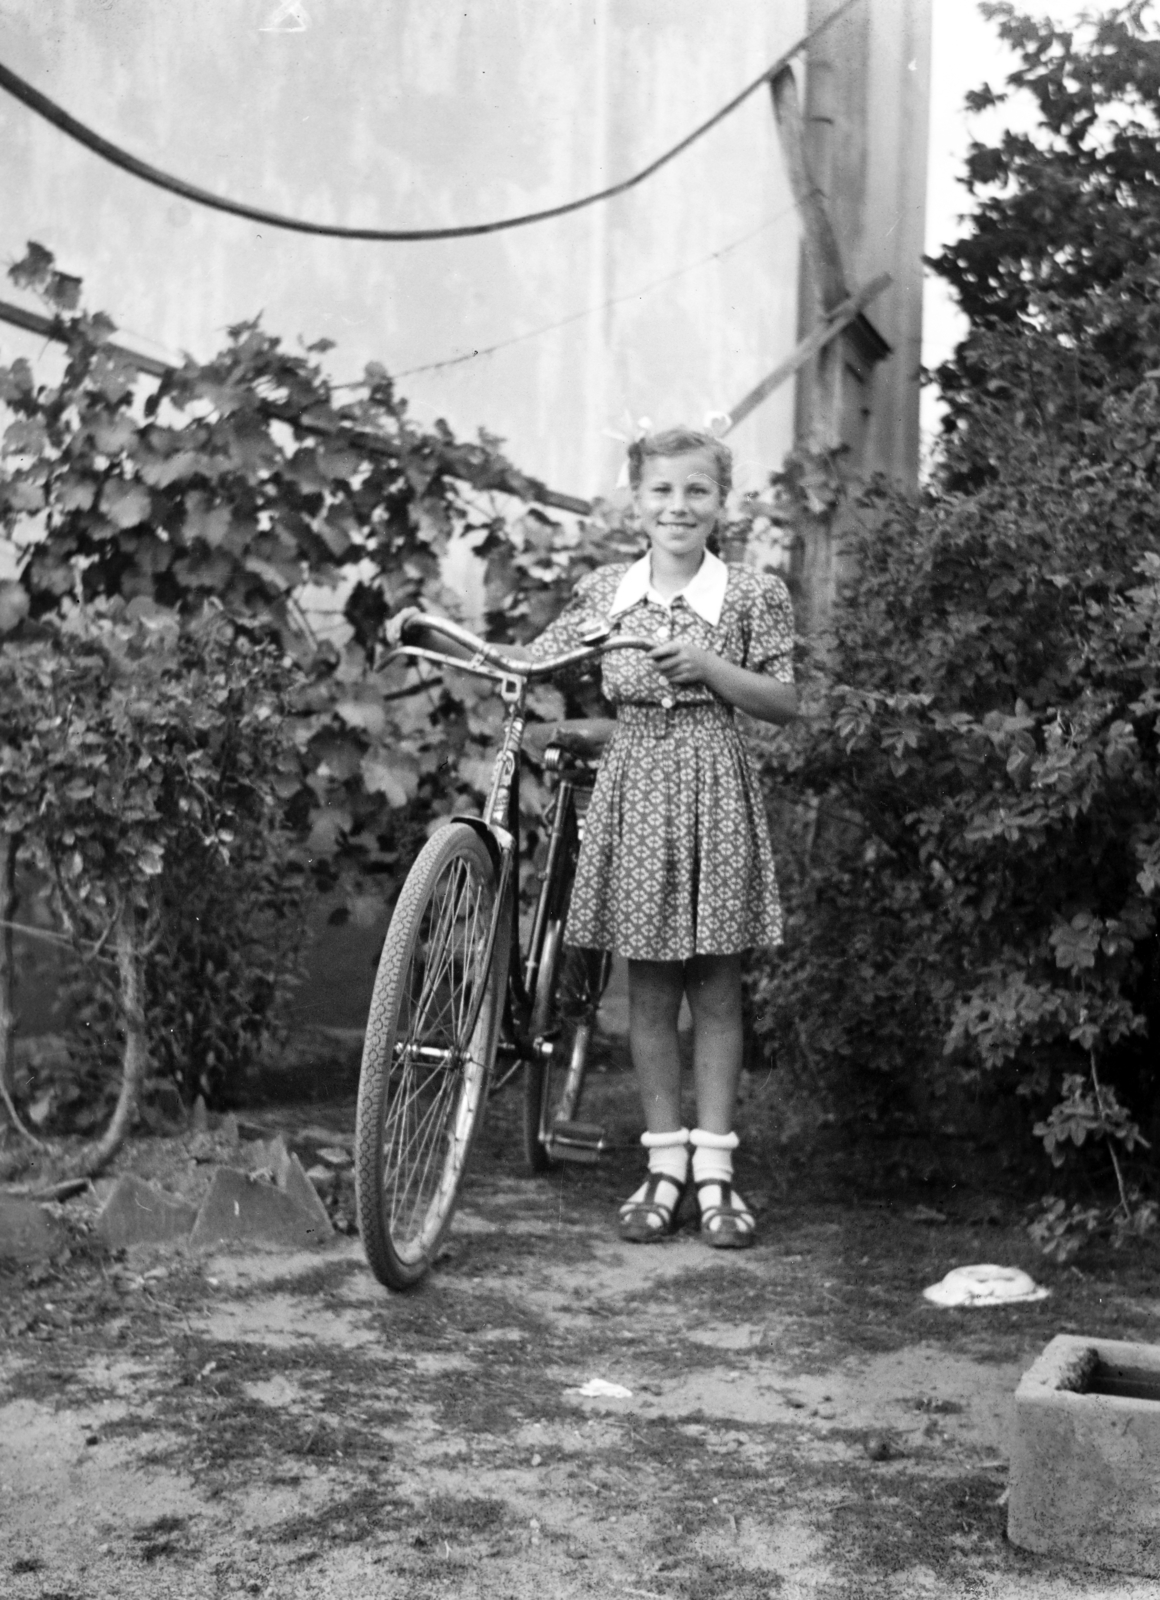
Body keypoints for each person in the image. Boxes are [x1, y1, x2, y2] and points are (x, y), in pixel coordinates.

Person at [523, 425, 797, 1249]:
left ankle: (716, 1173)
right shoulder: (610, 588)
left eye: (696, 492)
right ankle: (664, 1166)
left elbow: (783, 700)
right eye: (662, 492)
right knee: (647, 992)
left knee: (715, 988)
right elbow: (537, 656)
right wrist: (438, 632)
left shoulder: (752, 593)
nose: (678, 507)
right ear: (635, 501)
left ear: (721, 503)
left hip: (715, 787)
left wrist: (711, 669)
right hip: (636, 788)